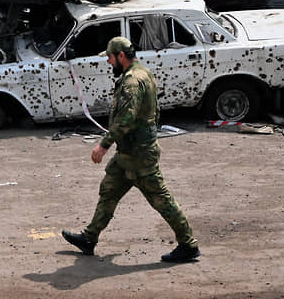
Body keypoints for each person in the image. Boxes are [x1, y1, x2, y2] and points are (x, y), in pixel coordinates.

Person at [62, 36, 200, 263]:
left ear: (121, 56)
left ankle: (188, 244)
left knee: (161, 199)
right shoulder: (142, 72)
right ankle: (89, 238)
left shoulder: (132, 82)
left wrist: (103, 145)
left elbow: (126, 119)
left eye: (110, 58)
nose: (108, 63)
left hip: (139, 156)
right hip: (128, 154)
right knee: (108, 190)